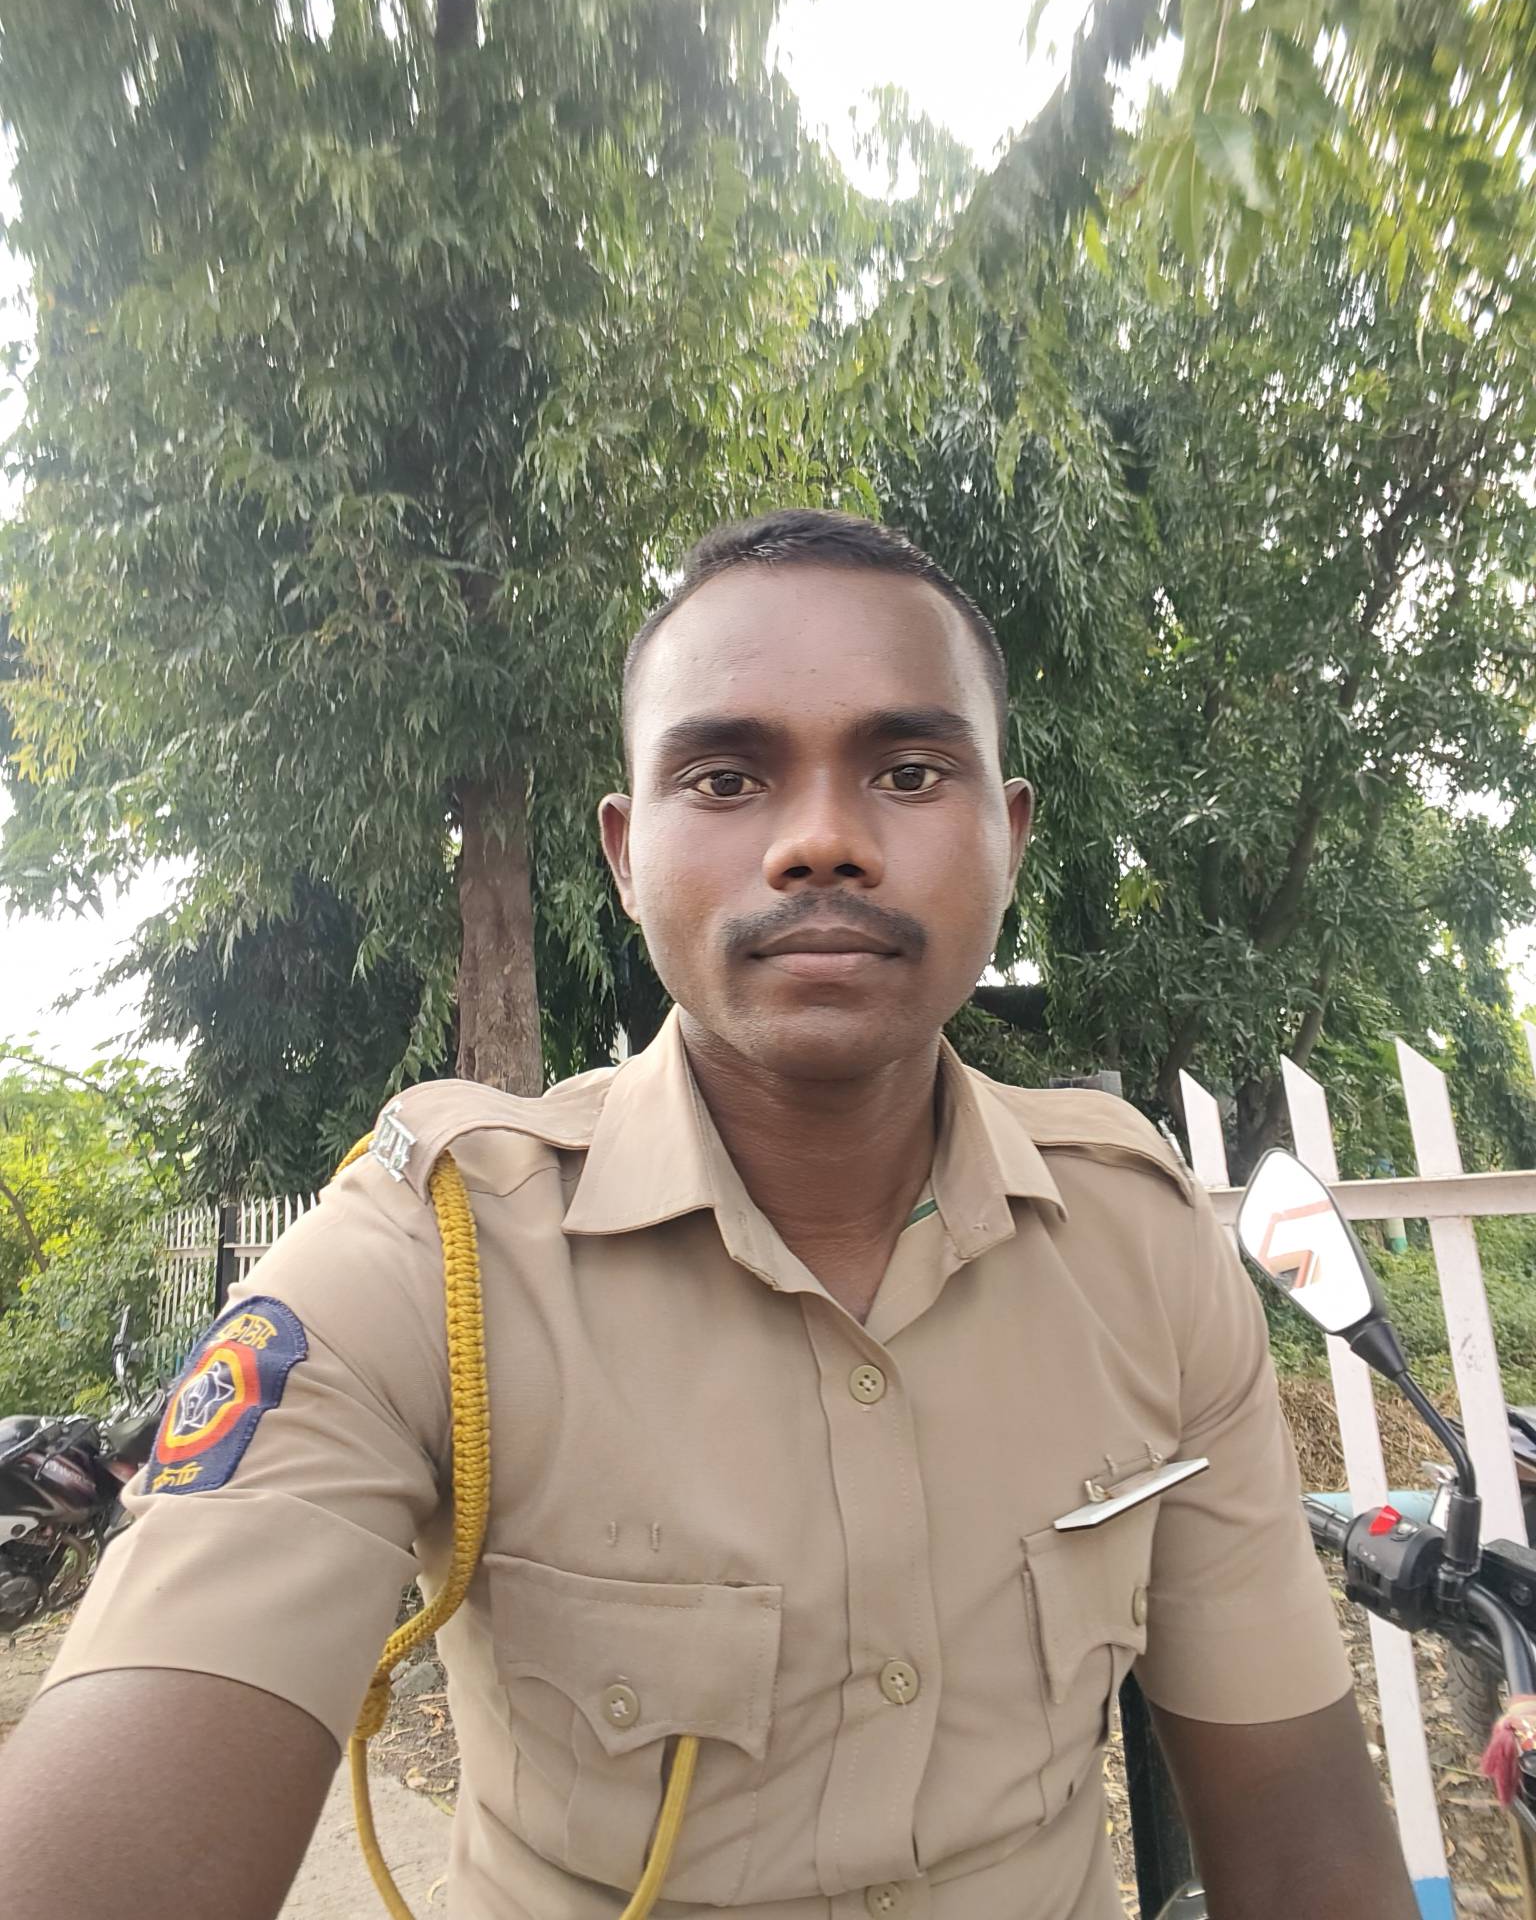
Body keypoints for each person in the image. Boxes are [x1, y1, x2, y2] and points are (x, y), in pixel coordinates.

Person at [0, 509, 1415, 1920]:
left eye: (910, 772)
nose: (821, 842)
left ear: (1009, 832)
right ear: (626, 856)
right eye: (727, 778)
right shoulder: (438, 1259)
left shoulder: (1143, 1245)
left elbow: (1303, 1842)